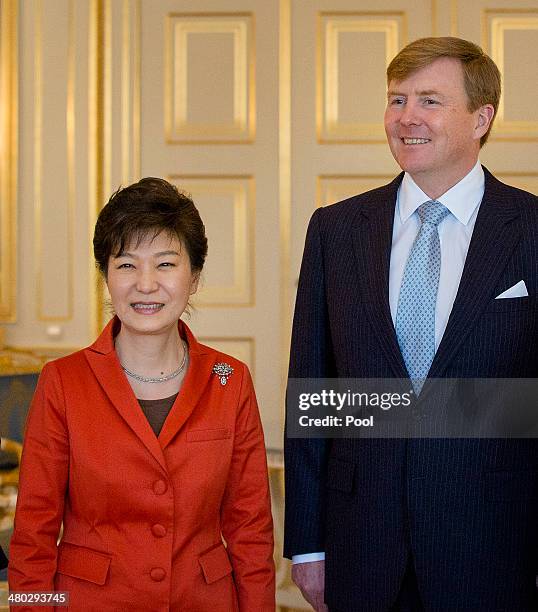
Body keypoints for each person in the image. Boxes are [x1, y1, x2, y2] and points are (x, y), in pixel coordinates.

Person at [284, 37, 538, 611]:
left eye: (429, 100)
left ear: (482, 117)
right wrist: (306, 546)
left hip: (496, 547)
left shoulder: (530, 229)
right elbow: (314, 391)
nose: (406, 118)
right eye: (397, 100)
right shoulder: (335, 230)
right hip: (361, 546)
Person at [9, 178, 275, 611]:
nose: (146, 284)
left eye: (166, 264)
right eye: (127, 265)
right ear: (106, 277)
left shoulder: (230, 379)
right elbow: (33, 538)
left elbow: (250, 531)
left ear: (195, 277)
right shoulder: (62, 382)